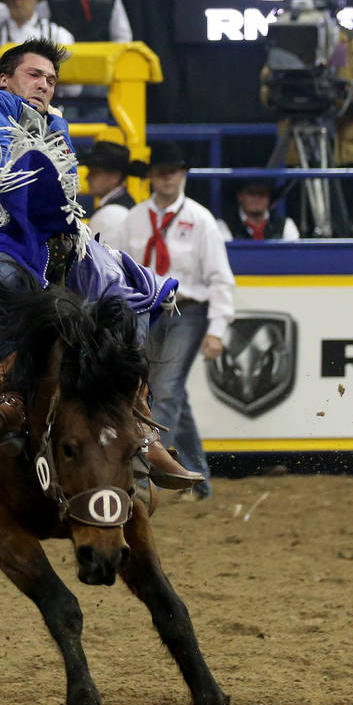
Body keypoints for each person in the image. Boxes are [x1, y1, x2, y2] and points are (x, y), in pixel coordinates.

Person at [0, 38, 199, 486]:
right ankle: (11, 394)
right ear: (6, 79)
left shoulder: (56, 127)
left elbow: (65, 193)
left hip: (59, 235)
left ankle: (136, 414)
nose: (44, 85)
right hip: (0, 225)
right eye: (34, 75)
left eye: (50, 80)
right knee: (9, 276)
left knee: (131, 294)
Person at [115, 141, 237, 499]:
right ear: (151, 176)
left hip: (187, 310)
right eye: (160, 172)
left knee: (163, 390)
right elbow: (117, 269)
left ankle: (140, 478)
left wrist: (216, 330)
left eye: (173, 172)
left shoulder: (201, 221)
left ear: (182, 175)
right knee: (168, 393)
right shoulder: (133, 219)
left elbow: (220, 279)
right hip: (145, 312)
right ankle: (198, 480)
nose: (167, 178)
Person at [260, 0, 353, 236]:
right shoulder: (287, 42)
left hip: (346, 149)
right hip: (298, 149)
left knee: (347, 217)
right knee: (299, 215)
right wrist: (276, 95)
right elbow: (266, 84)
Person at [39, 0, 131, 119]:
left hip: (99, 71)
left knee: (98, 120)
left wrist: (111, 67)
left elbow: (122, 37)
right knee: (64, 122)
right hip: (64, 71)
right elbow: (40, 30)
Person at [79, 139, 146, 248]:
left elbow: (99, 262)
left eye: (95, 173)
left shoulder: (110, 215)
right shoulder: (123, 207)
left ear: (115, 176)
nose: (87, 177)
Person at [218, 179, 300, 241]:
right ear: (240, 196)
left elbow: (294, 257)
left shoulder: (286, 225)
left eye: (262, 194)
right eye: (251, 193)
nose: (257, 198)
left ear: (269, 198)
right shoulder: (223, 226)